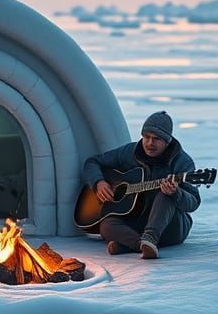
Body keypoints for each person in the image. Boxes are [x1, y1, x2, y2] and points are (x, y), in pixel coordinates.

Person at [81, 110, 200, 259]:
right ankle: (141, 245)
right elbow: (92, 162)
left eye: (156, 139)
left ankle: (139, 241)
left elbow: (194, 202)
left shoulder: (182, 162)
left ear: (167, 141)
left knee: (166, 194)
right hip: (138, 219)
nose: (150, 143)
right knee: (106, 226)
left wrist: (176, 193)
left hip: (170, 226)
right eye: (146, 137)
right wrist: (98, 182)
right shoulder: (130, 152)